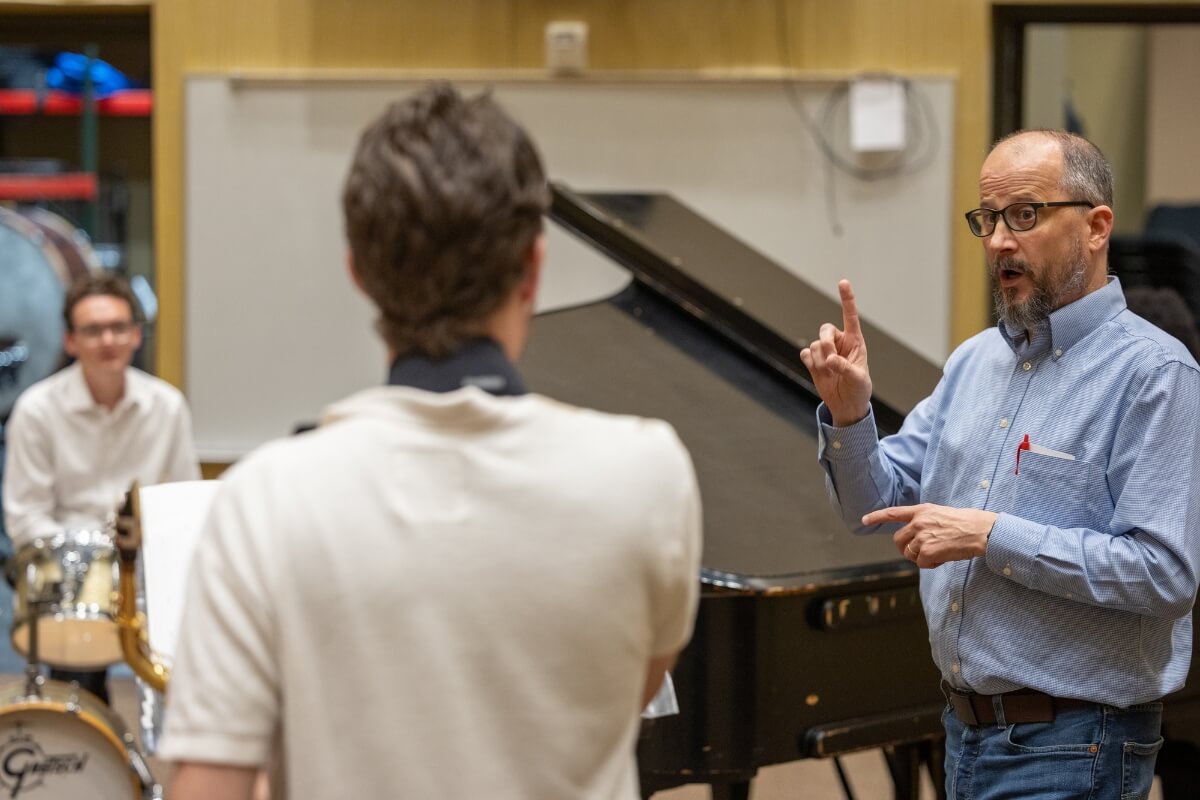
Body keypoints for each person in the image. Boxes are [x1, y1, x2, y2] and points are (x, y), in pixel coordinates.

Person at [159, 83, 702, 800]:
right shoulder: (649, 473)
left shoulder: (264, 498)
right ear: (533, 270)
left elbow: (208, 787)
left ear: (359, 272)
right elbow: (628, 690)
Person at [800, 129, 1200, 799]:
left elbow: (1164, 576)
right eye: (987, 220)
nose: (998, 242)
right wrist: (849, 416)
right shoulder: (974, 362)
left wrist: (990, 535)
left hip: (1075, 743)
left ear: (1097, 226)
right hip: (965, 734)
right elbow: (872, 505)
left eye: (1025, 215)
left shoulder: (1155, 375)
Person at [3, 270, 200, 702]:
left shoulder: (167, 407)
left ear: (136, 335)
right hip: (70, 573)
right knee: (79, 695)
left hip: (148, 566)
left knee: (189, 674)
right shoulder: (36, 410)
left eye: (119, 327)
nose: (108, 340)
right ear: (71, 341)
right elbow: (26, 517)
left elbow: (184, 503)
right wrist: (95, 563)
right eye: (93, 330)